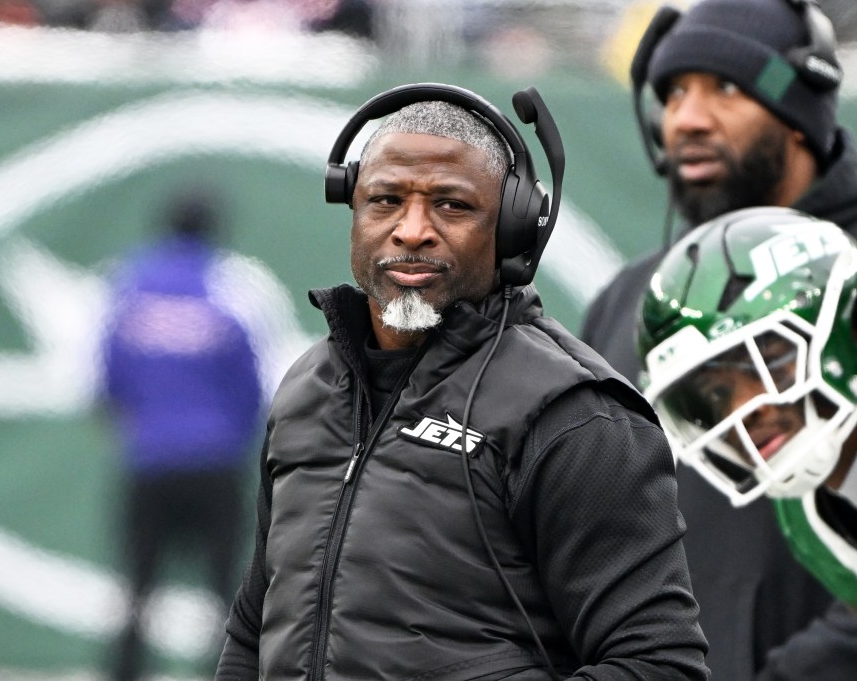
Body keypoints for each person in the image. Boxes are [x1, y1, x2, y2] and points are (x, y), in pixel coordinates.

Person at [214, 84, 710, 680]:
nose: (412, 229)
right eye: (386, 200)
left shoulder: (577, 418)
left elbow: (659, 664)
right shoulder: (309, 385)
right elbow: (253, 629)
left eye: (451, 205)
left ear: (513, 229)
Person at [580, 0, 857, 678]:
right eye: (674, 92)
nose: (686, 117)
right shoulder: (632, 304)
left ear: (800, 112)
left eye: (725, 87)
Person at [636, 206, 857, 681]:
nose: (747, 408)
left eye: (766, 359)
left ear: (850, 324)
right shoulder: (807, 511)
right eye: (718, 393)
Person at [99, 186, 264, 681]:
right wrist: (230, 437)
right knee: (226, 590)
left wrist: (143, 425)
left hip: (150, 460)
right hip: (215, 462)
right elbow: (253, 384)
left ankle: (124, 674)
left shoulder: (131, 288)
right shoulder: (231, 288)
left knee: (136, 588)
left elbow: (110, 377)